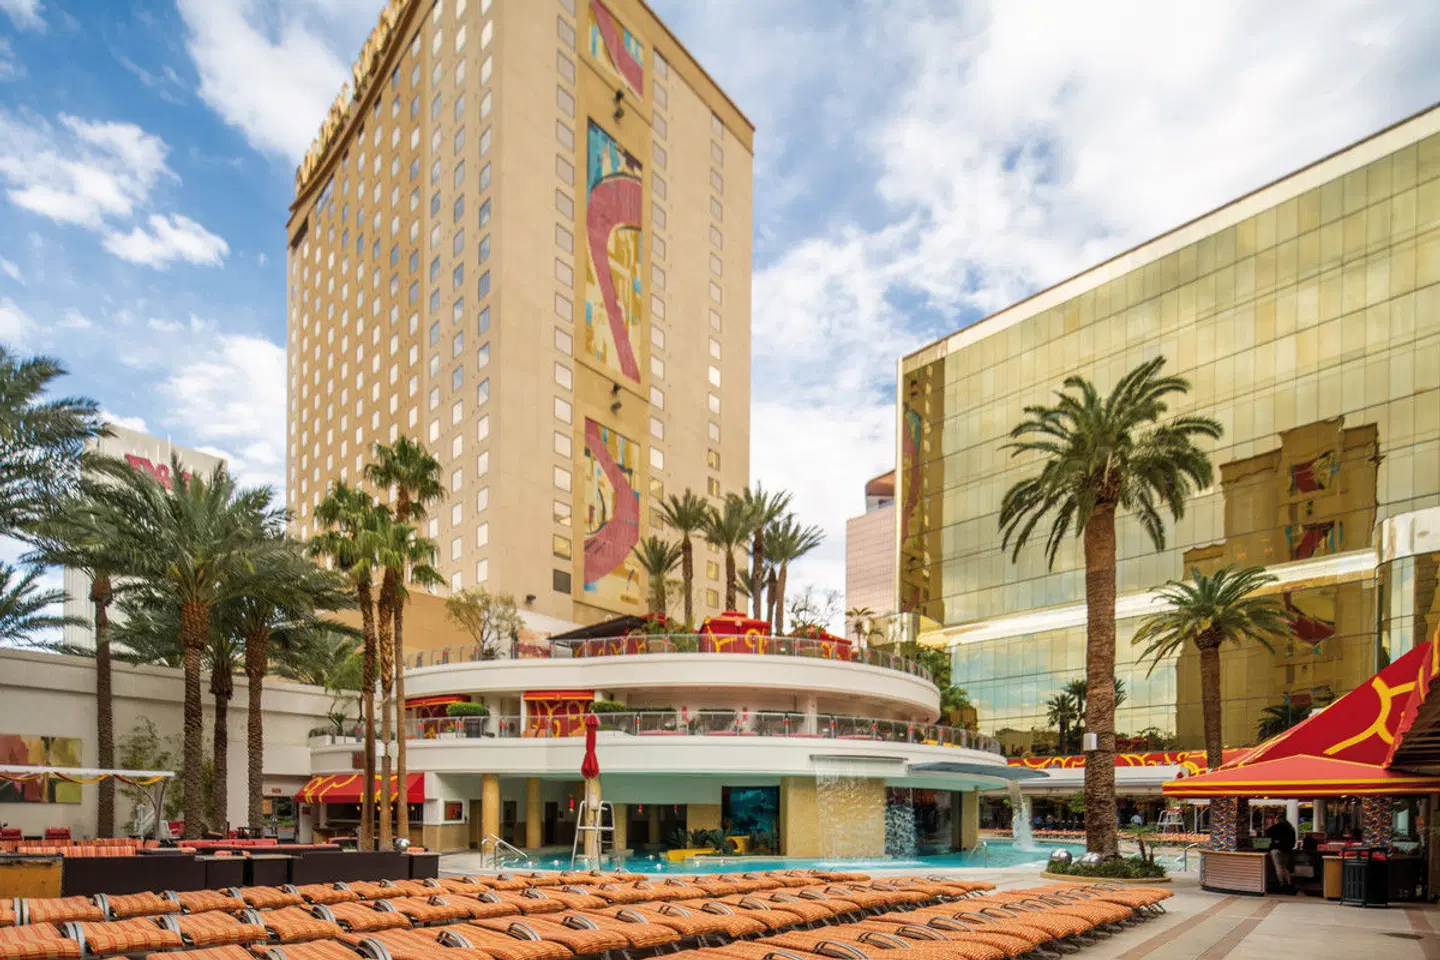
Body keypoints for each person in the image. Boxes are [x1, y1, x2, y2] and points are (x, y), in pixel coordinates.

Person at [1265, 815, 1297, 892]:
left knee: (1278, 867)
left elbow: (1267, 832)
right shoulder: (1291, 828)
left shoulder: (1276, 827)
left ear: (1278, 820)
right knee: (1284, 867)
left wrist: (1275, 839)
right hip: (1287, 850)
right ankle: (1289, 882)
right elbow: (1293, 840)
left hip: (1276, 849)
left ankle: (1281, 883)